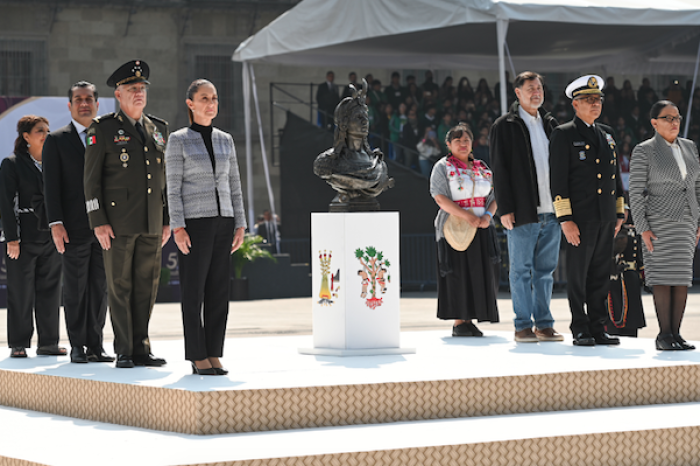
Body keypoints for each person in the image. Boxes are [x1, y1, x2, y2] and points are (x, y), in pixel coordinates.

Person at [83, 60, 171, 368]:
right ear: (118, 95)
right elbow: (91, 181)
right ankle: (123, 348)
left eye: (142, 89)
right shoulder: (103, 129)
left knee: (147, 285)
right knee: (120, 285)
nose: (138, 94)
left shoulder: (158, 129)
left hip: (151, 220)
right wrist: (98, 222)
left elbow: (164, 180)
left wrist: (167, 219)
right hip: (117, 224)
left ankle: (141, 347)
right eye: (132, 89)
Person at [166, 79, 247, 375]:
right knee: (193, 291)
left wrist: (240, 223)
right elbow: (172, 189)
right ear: (190, 103)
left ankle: (214, 352)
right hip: (195, 224)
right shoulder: (179, 139)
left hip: (224, 222)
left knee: (218, 292)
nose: (210, 103)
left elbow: (234, 185)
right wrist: (178, 226)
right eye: (204, 98)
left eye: (214, 98)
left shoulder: (226, 139)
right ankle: (196, 354)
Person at [549, 75, 625, 346]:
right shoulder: (564, 133)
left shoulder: (607, 134)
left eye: (598, 100)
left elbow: (614, 177)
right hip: (580, 218)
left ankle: (597, 325)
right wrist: (565, 219)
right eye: (589, 100)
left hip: (605, 217)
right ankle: (579, 327)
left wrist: (619, 211)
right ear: (575, 104)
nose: (595, 104)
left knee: (600, 274)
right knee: (579, 275)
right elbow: (558, 181)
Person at [490, 71, 563, 343]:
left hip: (552, 212)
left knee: (545, 272)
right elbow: (499, 169)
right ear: (518, 93)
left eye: (540, 88)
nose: (537, 92)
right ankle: (522, 325)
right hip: (522, 211)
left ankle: (544, 324)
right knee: (520, 270)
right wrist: (505, 208)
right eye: (531, 88)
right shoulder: (505, 125)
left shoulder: (551, 123)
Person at [43, 81, 113, 364]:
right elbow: (51, 186)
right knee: (75, 287)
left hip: (106, 228)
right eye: (78, 99)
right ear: (70, 105)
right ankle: (77, 345)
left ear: (97, 104)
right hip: (73, 227)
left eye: (89, 99)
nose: (84, 103)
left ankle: (96, 345)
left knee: (100, 287)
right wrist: (55, 223)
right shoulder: (57, 140)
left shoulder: (107, 136)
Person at [629, 100, 700, 351]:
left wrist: (698, 220)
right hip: (658, 222)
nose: (674, 122)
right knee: (661, 278)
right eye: (668, 118)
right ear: (654, 122)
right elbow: (635, 192)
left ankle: (677, 335)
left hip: (687, 222)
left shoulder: (690, 147)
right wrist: (642, 227)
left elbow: (697, 186)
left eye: (677, 117)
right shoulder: (644, 150)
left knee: (681, 279)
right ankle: (664, 335)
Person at [0, 115, 64, 358]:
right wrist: (12, 238)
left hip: (51, 237)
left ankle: (48, 343)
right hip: (23, 239)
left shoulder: (53, 163)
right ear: (26, 136)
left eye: (47, 130)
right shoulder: (12, 164)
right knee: (20, 291)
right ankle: (18, 342)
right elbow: (6, 204)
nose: (45, 134)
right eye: (40, 130)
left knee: (50, 291)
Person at [430, 124, 499, 337]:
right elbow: (440, 197)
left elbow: (495, 196)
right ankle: (459, 321)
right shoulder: (443, 167)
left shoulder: (482, 168)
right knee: (457, 272)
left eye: (467, 139)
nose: (463, 143)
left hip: (481, 226)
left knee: (479, 273)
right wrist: (468, 216)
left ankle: (471, 319)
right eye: (458, 140)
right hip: (454, 227)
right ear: (448, 144)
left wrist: (487, 216)